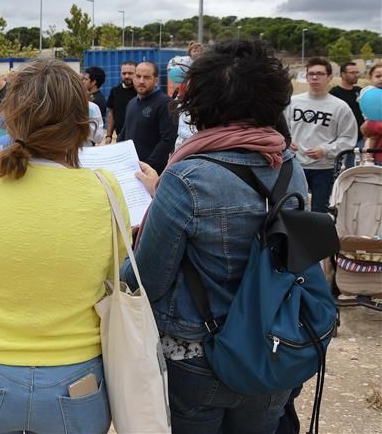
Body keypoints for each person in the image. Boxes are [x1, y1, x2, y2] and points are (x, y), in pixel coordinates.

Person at [122, 38, 306, 433]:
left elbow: (148, 279)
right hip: (274, 349)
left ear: (201, 102)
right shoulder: (290, 164)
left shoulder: (187, 176)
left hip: (200, 353)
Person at [0, 58, 125, 434]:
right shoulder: (106, 188)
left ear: (11, 116)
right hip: (75, 378)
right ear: (82, 121)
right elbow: (112, 275)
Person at [287, 57, 358, 214]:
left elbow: (348, 138)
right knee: (293, 210)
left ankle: (316, 239)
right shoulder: (293, 102)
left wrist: (326, 149)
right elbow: (280, 130)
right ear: (306, 77)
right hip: (295, 166)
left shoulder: (340, 107)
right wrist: (286, 141)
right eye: (311, 73)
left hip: (324, 169)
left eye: (319, 73)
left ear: (330, 78)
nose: (314, 77)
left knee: (319, 212)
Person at [121, 61, 177, 173]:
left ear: (156, 80)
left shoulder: (166, 103)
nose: (141, 81)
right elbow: (124, 133)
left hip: (151, 174)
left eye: (146, 77)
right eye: (138, 76)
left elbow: (167, 140)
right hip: (129, 170)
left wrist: (147, 167)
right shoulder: (131, 103)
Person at [329, 62, 364, 146]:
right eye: (352, 73)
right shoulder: (334, 93)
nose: (356, 75)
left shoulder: (360, 91)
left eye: (357, 72)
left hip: (361, 138)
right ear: (343, 74)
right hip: (343, 139)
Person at [105, 61, 137, 143]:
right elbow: (111, 114)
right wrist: (109, 135)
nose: (127, 76)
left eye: (130, 73)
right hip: (120, 138)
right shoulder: (115, 91)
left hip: (139, 138)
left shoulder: (141, 92)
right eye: (124, 73)